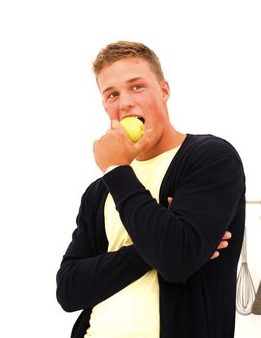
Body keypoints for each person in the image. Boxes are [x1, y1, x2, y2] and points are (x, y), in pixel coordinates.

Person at [56, 41, 245, 338]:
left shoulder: (211, 158)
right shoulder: (99, 191)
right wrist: (158, 246)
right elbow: (68, 289)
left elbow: (176, 260)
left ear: (164, 91)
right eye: (112, 94)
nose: (126, 102)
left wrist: (118, 170)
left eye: (136, 87)